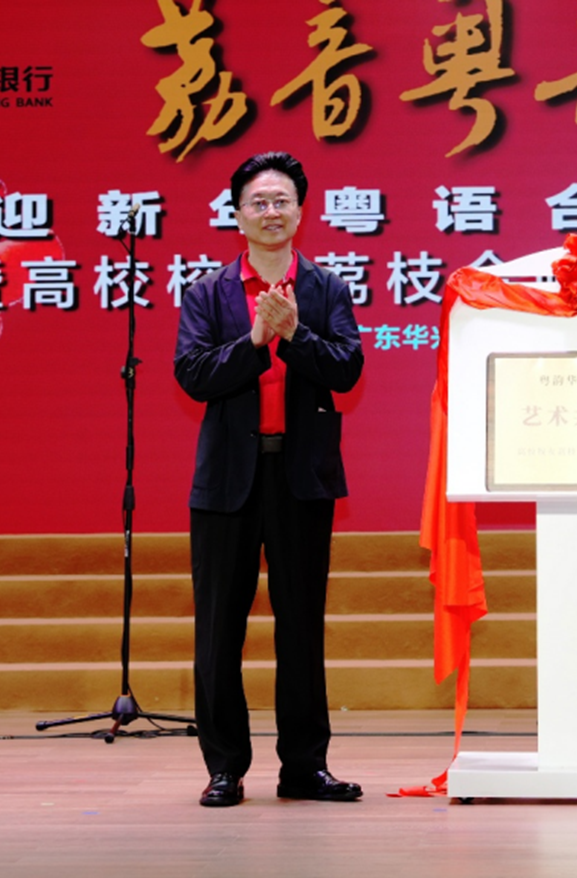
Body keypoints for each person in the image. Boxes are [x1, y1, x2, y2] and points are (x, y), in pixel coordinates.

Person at [174, 152, 365, 807]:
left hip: (301, 477)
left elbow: (346, 370)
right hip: (228, 480)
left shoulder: (326, 289)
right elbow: (193, 375)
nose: (271, 211)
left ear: (300, 211)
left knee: (301, 627)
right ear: (237, 216)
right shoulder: (207, 293)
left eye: (282, 200)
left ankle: (304, 768)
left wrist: (294, 335)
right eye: (258, 202)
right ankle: (225, 768)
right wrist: (255, 339)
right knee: (218, 630)